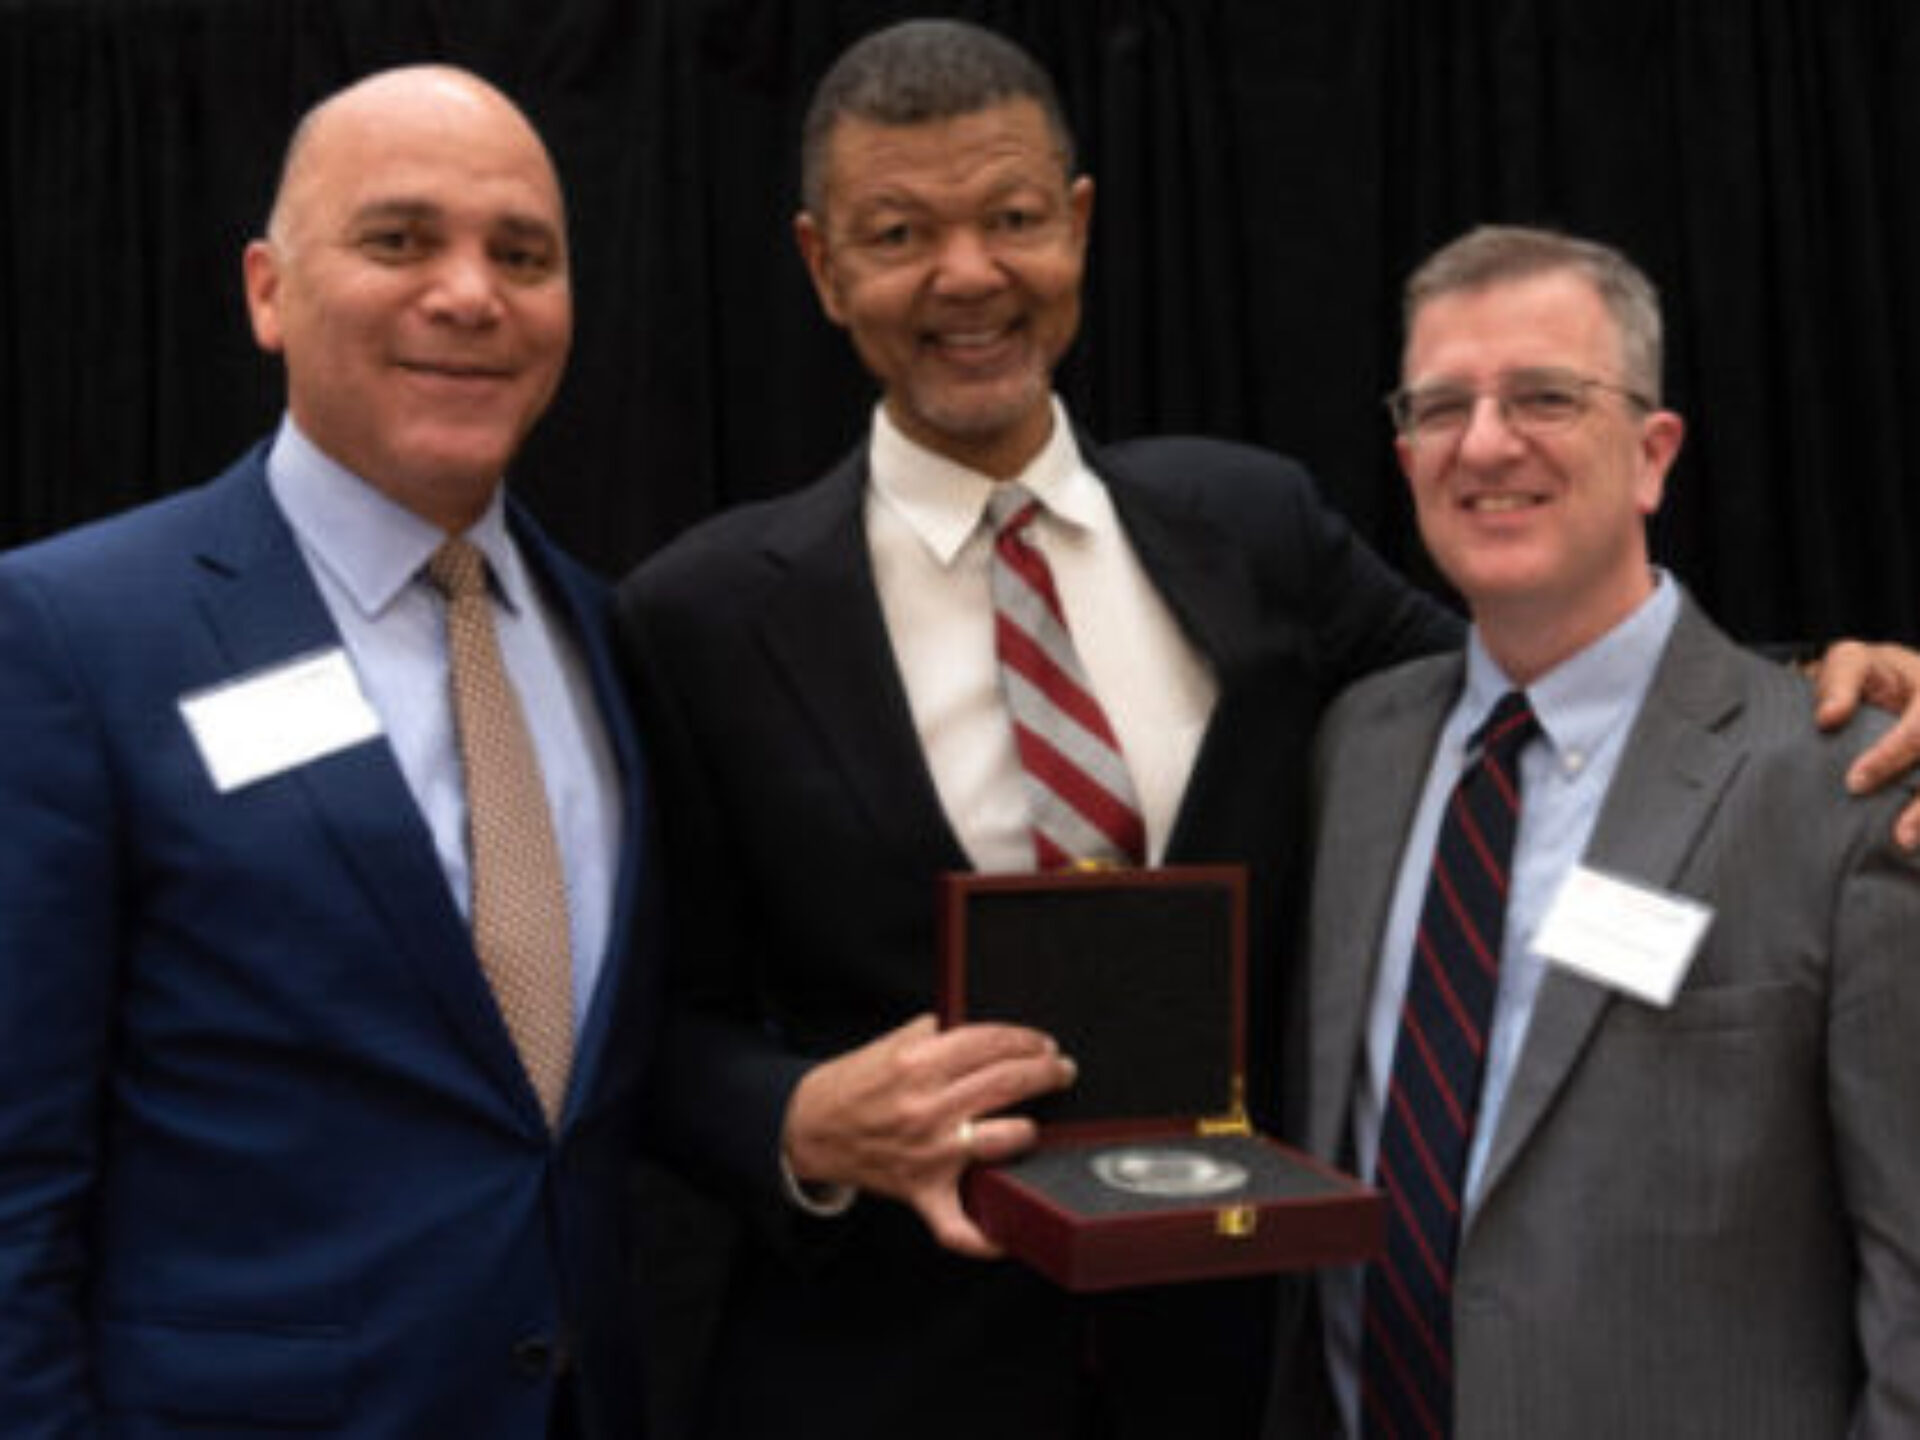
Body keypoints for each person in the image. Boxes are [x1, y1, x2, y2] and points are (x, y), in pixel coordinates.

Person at [615, 20, 1920, 1440]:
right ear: (821, 265)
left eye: (1010, 219)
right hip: (886, 1380)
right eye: (898, 233)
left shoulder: (1254, 531)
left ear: (1082, 227)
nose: (968, 275)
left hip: (1242, 1375)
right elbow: (640, 1025)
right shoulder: (703, 617)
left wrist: (1835, 690)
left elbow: (1542, 691)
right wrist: (797, 1120)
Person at [0, 66, 661, 1437]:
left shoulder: (624, 637)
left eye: (521, 256)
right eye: (400, 240)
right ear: (266, 290)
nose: (471, 295)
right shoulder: (70, 635)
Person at [1275, 225, 1920, 1438]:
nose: (1484, 442)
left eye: (1544, 398)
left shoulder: (1849, 782)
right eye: (1440, 406)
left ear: (1652, 453)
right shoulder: (1353, 750)